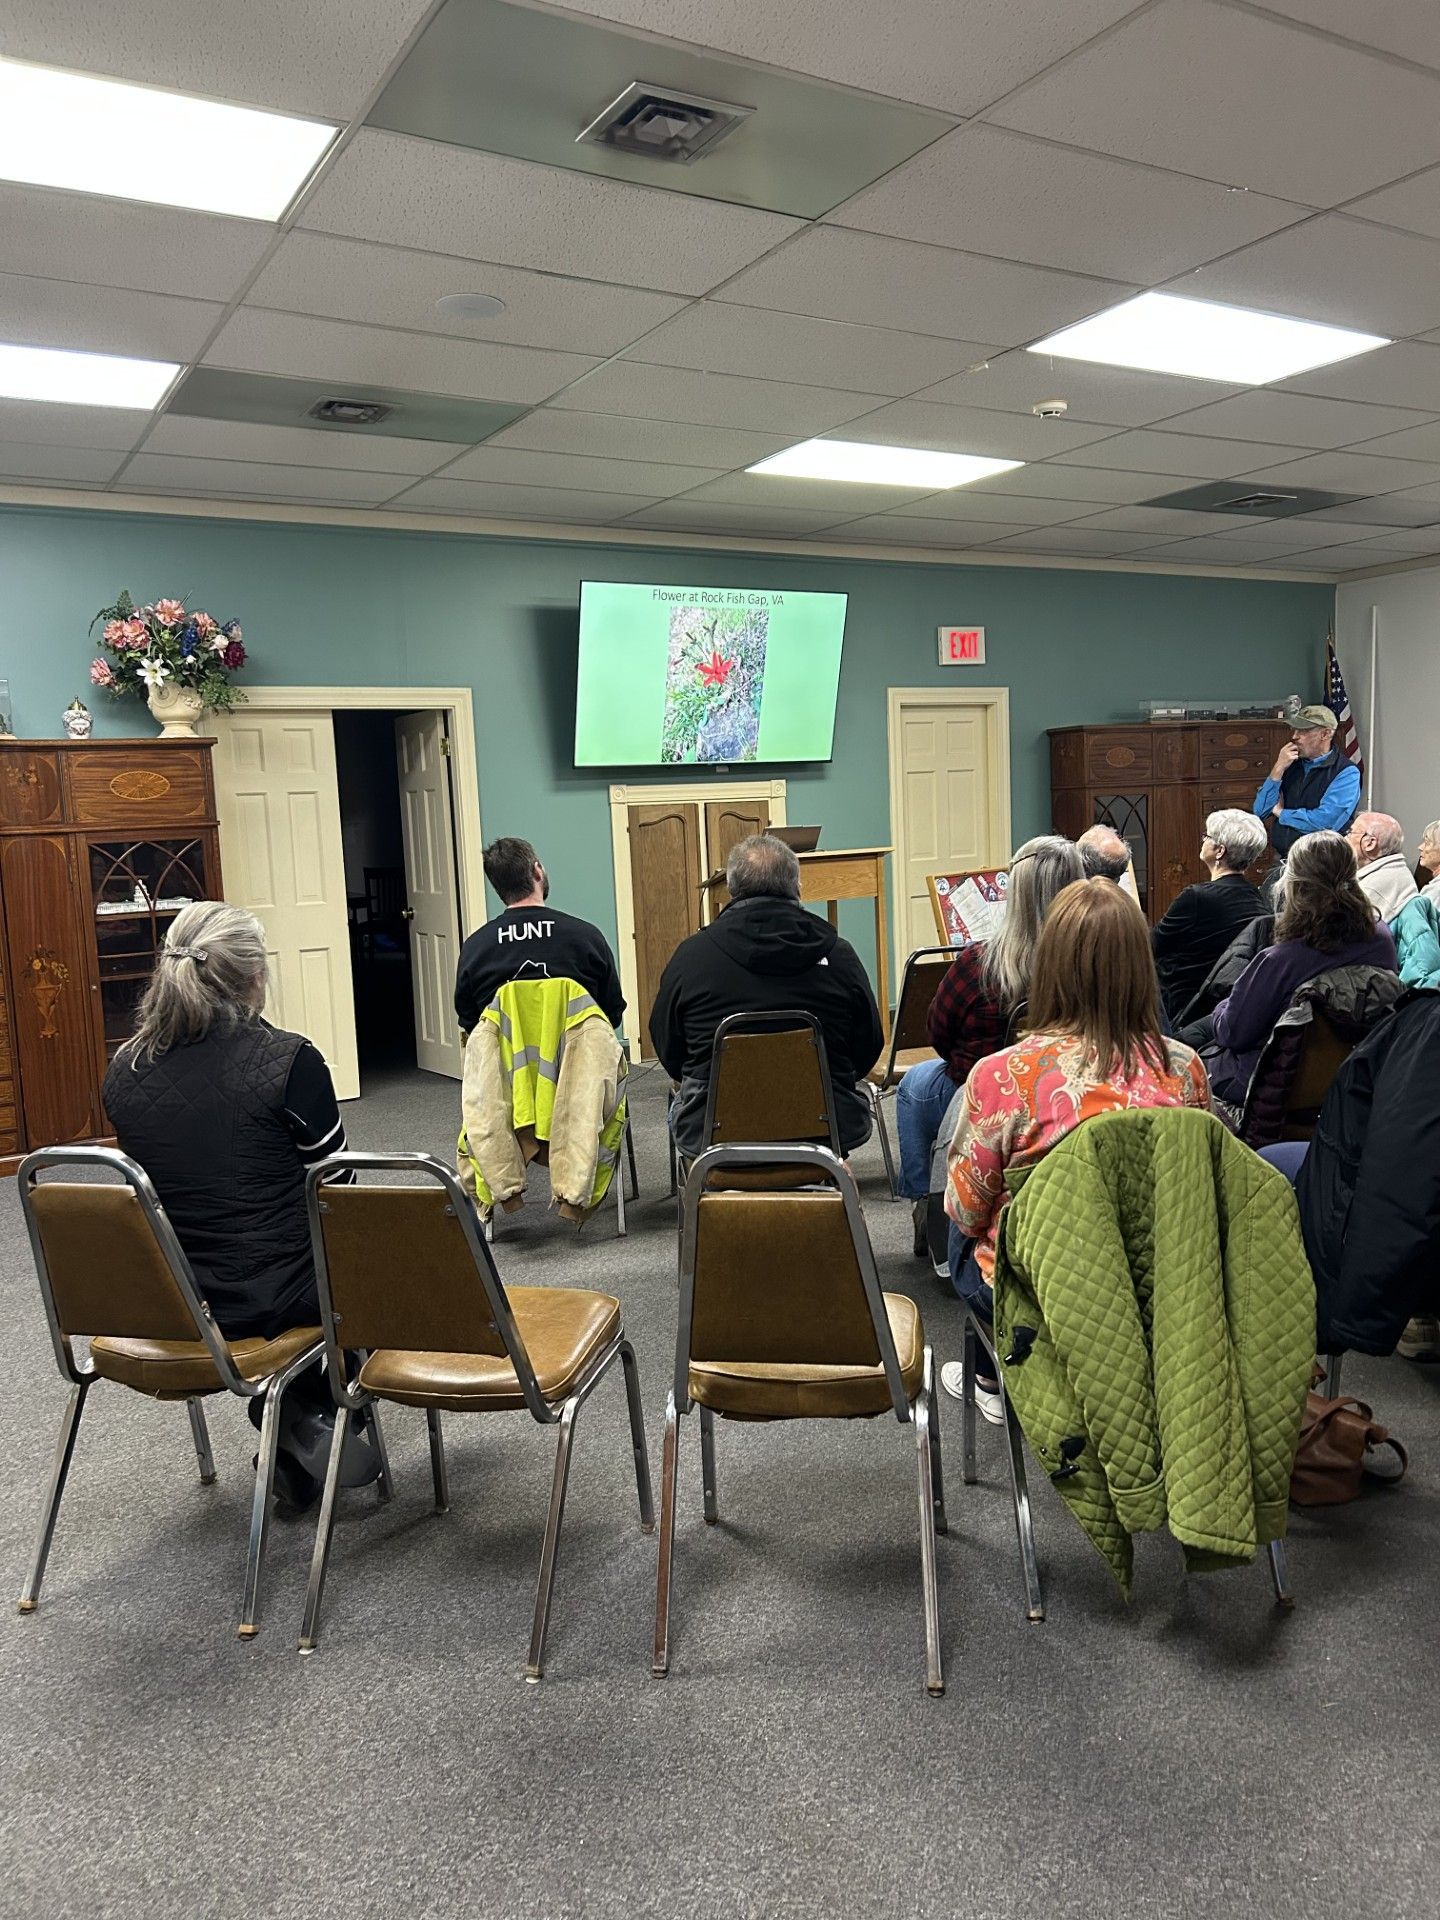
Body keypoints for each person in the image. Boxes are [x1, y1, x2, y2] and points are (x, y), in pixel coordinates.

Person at [102, 901, 375, 1511]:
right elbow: (339, 1190)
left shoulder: (125, 1067)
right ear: (255, 977)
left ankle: (297, 1418)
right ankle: (309, 1411)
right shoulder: (290, 1062)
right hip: (272, 1297)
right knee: (370, 1264)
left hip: (171, 1299)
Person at [941, 879, 1212, 1418]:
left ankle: (993, 1374)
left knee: (957, 1216)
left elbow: (968, 1213)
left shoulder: (1002, 1077)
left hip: (1042, 1292)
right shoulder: (1185, 1069)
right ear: (1141, 966)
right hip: (1157, 1288)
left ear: (1050, 965)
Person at [648, 832, 884, 1161]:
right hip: (824, 1136)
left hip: (713, 1139)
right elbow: (867, 1049)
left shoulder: (690, 958)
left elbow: (671, 1054)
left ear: (731, 889)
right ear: (797, 887)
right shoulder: (839, 954)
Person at [894, 835, 1084, 1227]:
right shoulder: (1096, 962)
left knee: (914, 1083)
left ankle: (924, 1205)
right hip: (1076, 1086)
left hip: (984, 1090)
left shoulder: (979, 963)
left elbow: (939, 1034)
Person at [1204, 831, 1396, 1108]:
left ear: (1293, 883)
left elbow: (1233, 1033)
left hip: (1275, 1089)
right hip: (1356, 1084)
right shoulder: (1382, 939)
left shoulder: (1278, 961)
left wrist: (1224, 1005)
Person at [455, 837, 624, 1035]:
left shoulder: (475, 948)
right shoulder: (587, 938)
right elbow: (612, 1015)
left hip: (505, 1065)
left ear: (497, 886)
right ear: (537, 871)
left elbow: (472, 1024)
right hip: (577, 1063)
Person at [1150, 808, 1270, 1021]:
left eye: (1207, 836)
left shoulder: (1197, 897)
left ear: (1219, 851)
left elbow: (1152, 946)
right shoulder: (1259, 898)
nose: (1203, 840)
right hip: (1222, 1008)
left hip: (1180, 1007)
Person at [1252, 705, 1360, 860]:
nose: (1295, 736)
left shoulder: (1346, 772)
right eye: (1294, 729)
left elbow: (1326, 823)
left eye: (1303, 731)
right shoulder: (1290, 764)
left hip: (1322, 861)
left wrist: (1281, 813)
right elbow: (1260, 811)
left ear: (1326, 734)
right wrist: (1278, 768)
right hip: (1284, 858)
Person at [1346, 811, 1419, 922]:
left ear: (1370, 844)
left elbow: (1350, 933)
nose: (1346, 837)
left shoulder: (1373, 887)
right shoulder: (1393, 871)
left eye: (1351, 832)